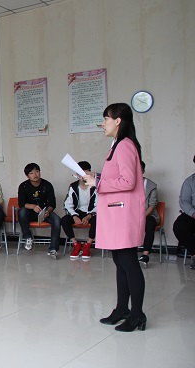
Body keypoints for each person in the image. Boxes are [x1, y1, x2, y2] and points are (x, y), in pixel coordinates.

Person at [84, 103, 147, 332]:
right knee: (120, 262)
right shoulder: (118, 145)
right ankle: (122, 309)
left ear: (118, 121)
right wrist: (96, 176)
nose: (103, 124)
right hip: (116, 213)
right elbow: (117, 176)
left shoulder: (125, 145)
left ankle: (137, 314)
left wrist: (98, 183)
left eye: (105, 119)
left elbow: (128, 181)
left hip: (123, 214)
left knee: (129, 263)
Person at [17, 163, 62, 259]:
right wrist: (33, 206)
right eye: (31, 173)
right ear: (27, 176)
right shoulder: (23, 186)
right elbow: (21, 203)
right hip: (30, 213)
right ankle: (28, 237)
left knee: (57, 220)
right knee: (21, 212)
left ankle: (53, 249)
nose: (35, 175)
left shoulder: (47, 185)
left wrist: (48, 211)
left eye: (37, 171)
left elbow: (52, 203)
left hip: (44, 213)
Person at [61, 161, 97, 260]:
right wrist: (74, 216)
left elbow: (99, 205)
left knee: (97, 221)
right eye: (80, 173)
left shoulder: (95, 186)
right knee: (64, 220)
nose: (83, 176)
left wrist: (89, 216)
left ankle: (87, 245)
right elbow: (67, 204)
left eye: (86, 173)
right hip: (77, 212)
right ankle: (76, 244)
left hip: (91, 213)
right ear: (77, 174)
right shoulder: (73, 186)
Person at [173, 155, 195, 270]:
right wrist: (193, 213)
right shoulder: (189, 181)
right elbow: (184, 201)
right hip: (193, 214)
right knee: (179, 226)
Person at [139, 161, 160, 265]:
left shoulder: (151, 185)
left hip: (148, 214)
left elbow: (152, 205)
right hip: (131, 215)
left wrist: (140, 217)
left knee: (150, 223)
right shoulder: (126, 184)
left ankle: (145, 254)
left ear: (143, 171)